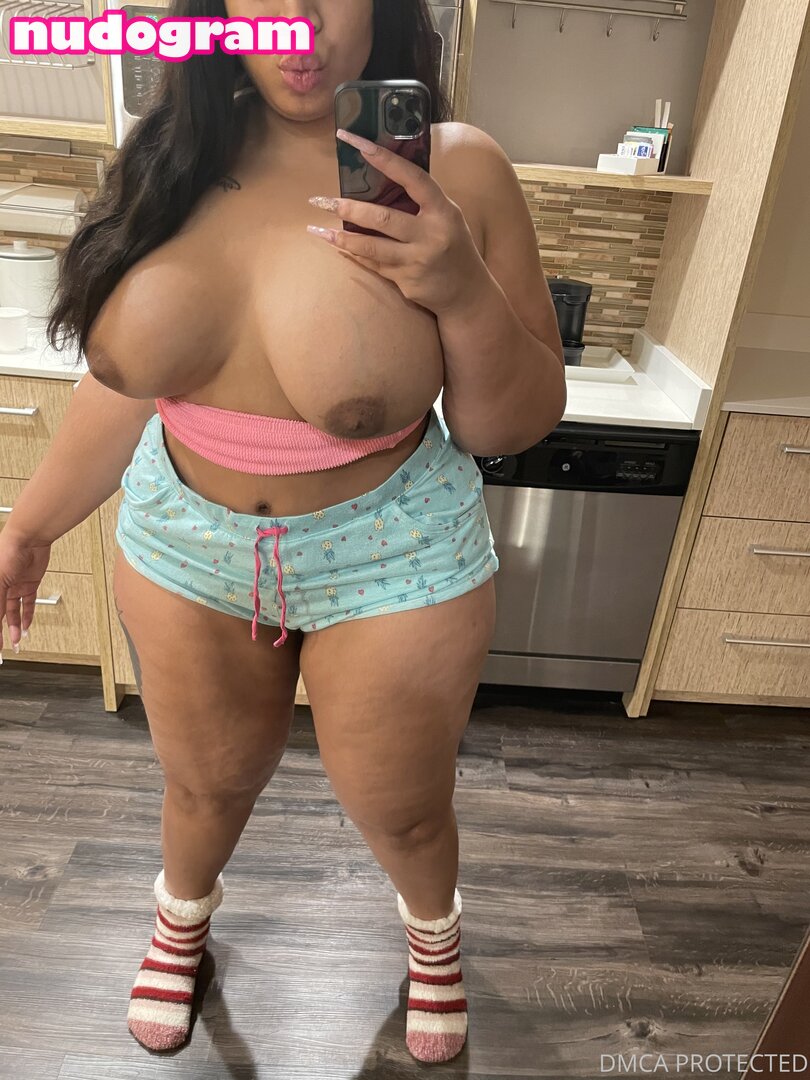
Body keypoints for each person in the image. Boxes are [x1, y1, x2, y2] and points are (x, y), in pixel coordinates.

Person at [0, 0, 566, 1064]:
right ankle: (180, 922)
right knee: (202, 782)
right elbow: (129, 383)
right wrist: (28, 527)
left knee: (403, 808)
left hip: (392, 551)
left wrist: (460, 291)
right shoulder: (171, 155)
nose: (296, 21)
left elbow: (510, 423)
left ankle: (433, 939)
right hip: (185, 542)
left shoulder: (457, 170)